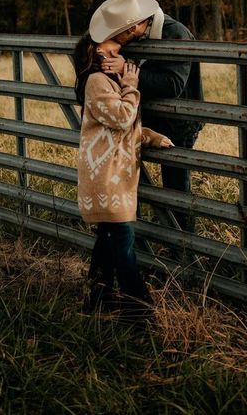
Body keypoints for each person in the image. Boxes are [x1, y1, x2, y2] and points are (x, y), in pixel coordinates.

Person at [74, 33, 173, 319]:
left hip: (115, 177)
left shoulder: (107, 82)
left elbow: (117, 128)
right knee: (124, 247)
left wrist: (150, 137)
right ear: (96, 50)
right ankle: (139, 314)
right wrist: (131, 85)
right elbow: (120, 118)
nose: (119, 44)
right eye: (110, 42)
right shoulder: (96, 82)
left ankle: (95, 302)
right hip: (106, 178)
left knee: (108, 243)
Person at [89, 0, 204, 233]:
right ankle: (136, 235)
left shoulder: (176, 34)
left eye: (115, 32)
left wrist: (126, 68)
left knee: (175, 184)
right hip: (142, 119)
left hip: (178, 122)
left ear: (132, 28)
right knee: (128, 177)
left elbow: (173, 84)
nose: (113, 37)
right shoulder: (134, 38)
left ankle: (182, 244)